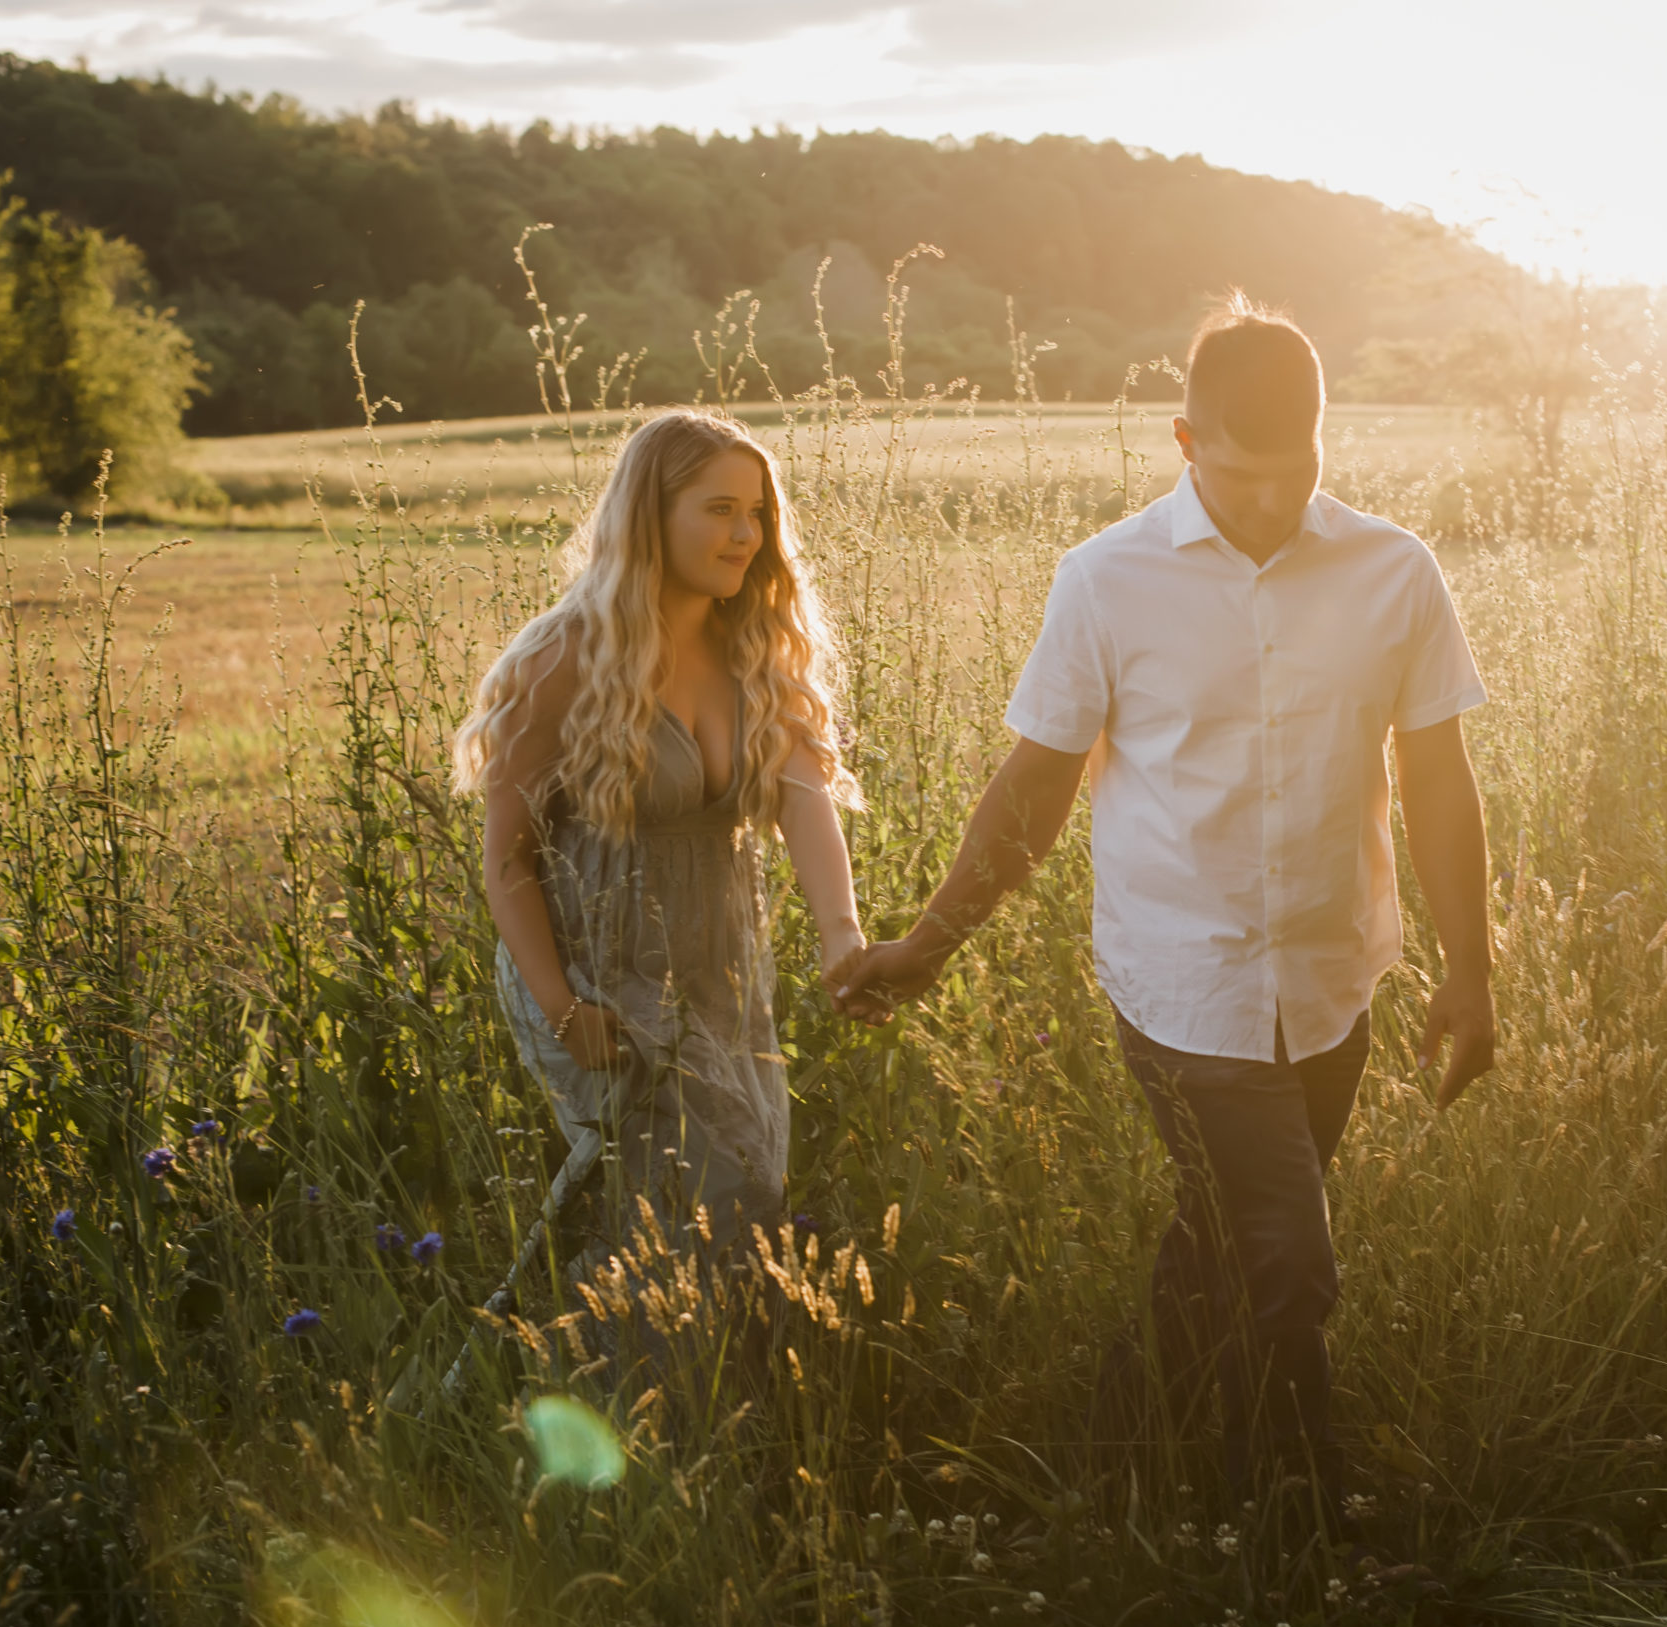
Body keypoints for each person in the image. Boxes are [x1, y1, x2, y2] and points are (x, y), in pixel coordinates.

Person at [837, 295, 1496, 1529]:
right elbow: (1032, 793)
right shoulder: (1105, 582)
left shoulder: (1393, 571)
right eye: (1241, 477)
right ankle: (1296, 1523)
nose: (1269, 503)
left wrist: (1473, 971)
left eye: (1294, 473)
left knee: (1223, 1244)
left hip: (1332, 979)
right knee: (1291, 1264)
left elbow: (1439, 781)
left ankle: (1123, 1461)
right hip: (1182, 986)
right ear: (1184, 443)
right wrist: (926, 947)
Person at [452, 409, 882, 1335]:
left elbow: (807, 800)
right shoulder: (565, 658)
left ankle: (653, 1411)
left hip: (716, 971)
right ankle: (647, 1416)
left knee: (742, 1188)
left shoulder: (755, 649)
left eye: (756, 513)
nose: (745, 535)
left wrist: (843, 937)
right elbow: (506, 858)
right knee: (703, 1198)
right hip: (588, 974)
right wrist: (565, 1006)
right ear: (653, 515)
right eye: (718, 509)